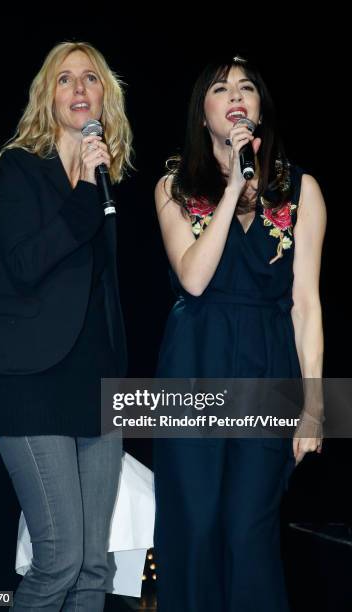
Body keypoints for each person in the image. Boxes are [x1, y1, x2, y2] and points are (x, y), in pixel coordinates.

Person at [153, 55, 326, 611]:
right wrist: (232, 185)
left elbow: (305, 303)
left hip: (268, 365)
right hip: (193, 365)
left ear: (259, 108)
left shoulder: (303, 190)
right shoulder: (174, 186)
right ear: (205, 116)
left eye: (246, 88)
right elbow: (195, 279)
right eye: (221, 89)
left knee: (249, 531)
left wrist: (315, 405)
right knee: (195, 526)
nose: (235, 95)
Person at [0, 41, 132, 611]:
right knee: (59, 557)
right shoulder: (17, 167)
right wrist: (87, 190)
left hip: (97, 382)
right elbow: (22, 264)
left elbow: (105, 290)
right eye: (65, 79)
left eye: (90, 78)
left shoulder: (106, 179)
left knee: (93, 567)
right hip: (32, 381)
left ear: (104, 95)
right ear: (49, 94)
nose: (79, 88)